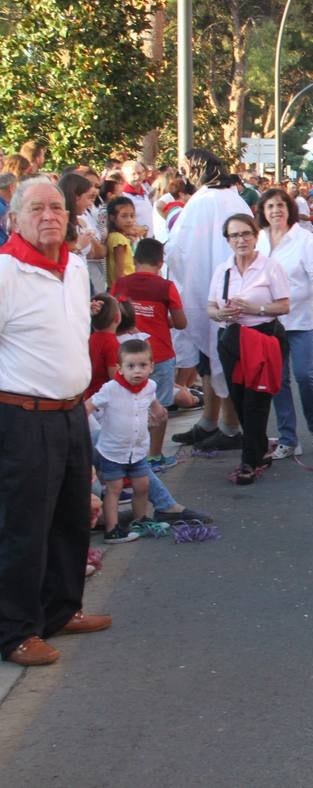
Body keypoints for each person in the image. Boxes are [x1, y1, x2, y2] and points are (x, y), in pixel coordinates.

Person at [0, 176, 112, 667]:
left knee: (70, 519)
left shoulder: (72, 268)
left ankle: (61, 610)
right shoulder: (5, 272)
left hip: (70, 412)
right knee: (23, 528)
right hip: (23, 418)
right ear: (14, 218)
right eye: (37, 209)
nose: (49, 216)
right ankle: (15, 632)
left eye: (57, 208)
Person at [166, 149, 251, 453]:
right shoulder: (235, 197)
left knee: (219, 359)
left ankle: (229, 427)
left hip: (210, 290)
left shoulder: (202, 201)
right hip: (230, 287)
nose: (183, 173)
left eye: (186, 167)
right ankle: (209, 420)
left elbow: (178, 248)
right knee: (210, 360)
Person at [207, 213, 290, 485]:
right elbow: (210, 307)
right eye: (234, 235)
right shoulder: (223, 270)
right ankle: (259, 447)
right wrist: (222, 314)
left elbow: (284, 305)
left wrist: (256, 308)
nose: (241, 240)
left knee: (257, 400)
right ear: (228, 240)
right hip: (231, 339)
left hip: (262, 338)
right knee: (239, 398)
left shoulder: (270, 267)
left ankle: (249, 460)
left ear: (256, 236)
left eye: (246, 234)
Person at [256, 188, 313, 460]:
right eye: (270, 206)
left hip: (300, 319)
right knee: (278, 381)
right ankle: (288, 438)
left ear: (289, 208)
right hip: (268, 321)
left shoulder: (304, 240)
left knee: (304, 375)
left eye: (280, 205)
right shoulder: (259, 241)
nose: (276, 210)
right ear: (263, 211)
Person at [113, 238, 187, 471]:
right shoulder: (166, 287)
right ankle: (154, 456)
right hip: (160, 354)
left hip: (127, 355)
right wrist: (160, 320)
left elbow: (113, 318)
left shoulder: (121, 285)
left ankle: (129, 456)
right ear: (160, 261)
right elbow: (181, 322)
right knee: (160, 406)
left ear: (134, 261)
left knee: (130, 405)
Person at [86, 339, 163, 544]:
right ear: (120, 368)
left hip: (137, 450)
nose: (137, 371)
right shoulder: (110, 388)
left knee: (142, 485)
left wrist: (157, 409)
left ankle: (140, 520)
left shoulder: (150, 386)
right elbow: (90, 404)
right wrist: (76, 422)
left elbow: (153, 399)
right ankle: (112, 529)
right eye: (130, 366)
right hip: (112, 450)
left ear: (151, 366)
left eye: (142, 365)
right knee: (114, 489)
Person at [103, 195, 139, 284]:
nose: (129, 220)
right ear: (112, 218)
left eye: (132, 216)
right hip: (123, 288)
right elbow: (120, 274)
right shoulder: (119, 240)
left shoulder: (114, 236)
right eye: (124, 216)